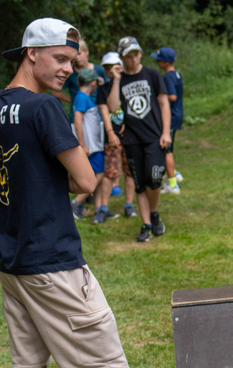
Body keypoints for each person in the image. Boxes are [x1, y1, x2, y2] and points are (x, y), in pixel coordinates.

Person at [0, 18, 186, 368]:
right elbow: (87, 183)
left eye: (73, 61)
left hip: (13, 264)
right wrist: (71, 174)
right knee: (109, 366)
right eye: (60, 59)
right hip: (54, 263)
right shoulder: (45, 108)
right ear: (30, 54)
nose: (69, 69)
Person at [106, 36, 170, 242]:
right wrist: (116, 80)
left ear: (140, 54)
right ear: (122, 58)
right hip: (132, 139)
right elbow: (113, 108)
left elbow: (163, 103)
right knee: (139, 183)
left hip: (154, 136)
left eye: (136, 54)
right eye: (128, 56)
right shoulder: (119, 79)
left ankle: (154, 212)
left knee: (154, 178)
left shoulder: (152, 74)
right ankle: (146, 224)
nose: (133, 59)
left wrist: (166, 132)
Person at [69, 67, 118, 224]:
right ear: (93, 83)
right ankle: (76, 203)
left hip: (96, 146)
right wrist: (83, 145)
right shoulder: (82, 98)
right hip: (90, 147)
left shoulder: (85, 98)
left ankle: (99, 209)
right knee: (99, 175)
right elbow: (77, 122)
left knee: (99, 174)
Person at [96, 51, 137, 219]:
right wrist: (110, 132)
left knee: (130, 172)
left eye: (114, 68)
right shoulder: (103, 90)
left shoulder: (128, 86)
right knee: (110, 172)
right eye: (108, 68)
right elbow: (107, 111)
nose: (111, 72)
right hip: (111, 137)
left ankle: (129, 205)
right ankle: (103, 208)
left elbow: (133, 109)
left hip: (130, 136)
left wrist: (127, 124)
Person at [150, 46, 184, 194]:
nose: (157, 62)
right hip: (177, 115)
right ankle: (175, 174)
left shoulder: (168, 77)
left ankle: (173, 184)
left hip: (171, 117)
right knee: (167, 149)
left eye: (159, 59)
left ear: (165, 61)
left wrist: (158, 97)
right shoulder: (175, 74)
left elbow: (172, 96)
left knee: (166, 150)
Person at [50, 38, 107, 124]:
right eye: (75, 55)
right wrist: (72, 100)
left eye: (79, 54)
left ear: (87, 51)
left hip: (97, 116)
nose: (77, 57)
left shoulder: (99, 70)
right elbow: (55, 92)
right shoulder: (70, 72)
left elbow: (108, 91)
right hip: (76, 116)